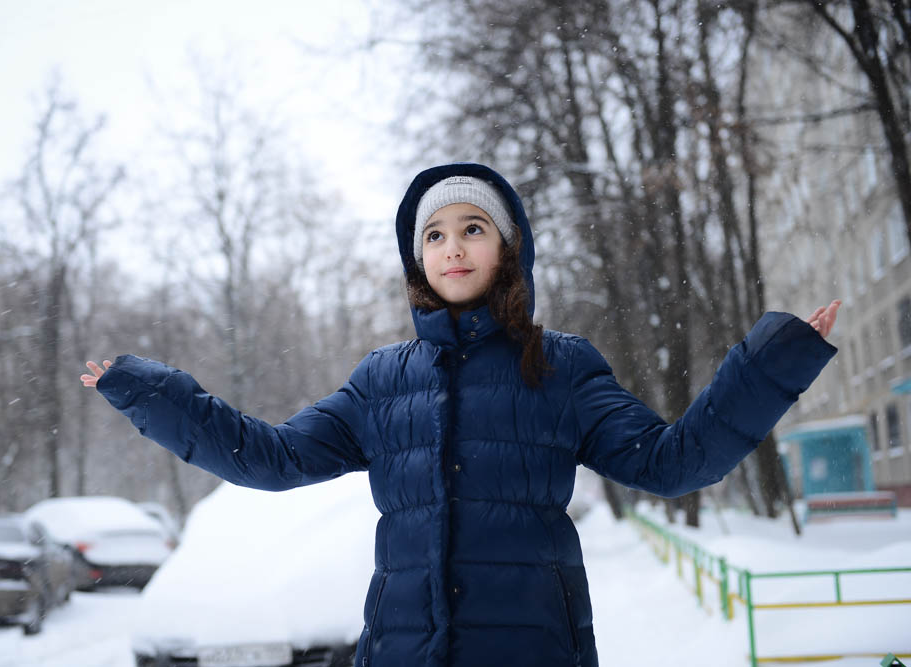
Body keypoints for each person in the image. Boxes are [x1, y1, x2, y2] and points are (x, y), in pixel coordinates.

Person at [81, 163, 840, 667]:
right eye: (435, 235)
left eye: (473, 227)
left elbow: (673, 462)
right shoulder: (383, 381)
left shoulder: (562, 367)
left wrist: (771, 362)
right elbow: (270, 458)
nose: (452, 247)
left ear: (507, 248)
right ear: (420, 260)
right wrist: (151, 392)